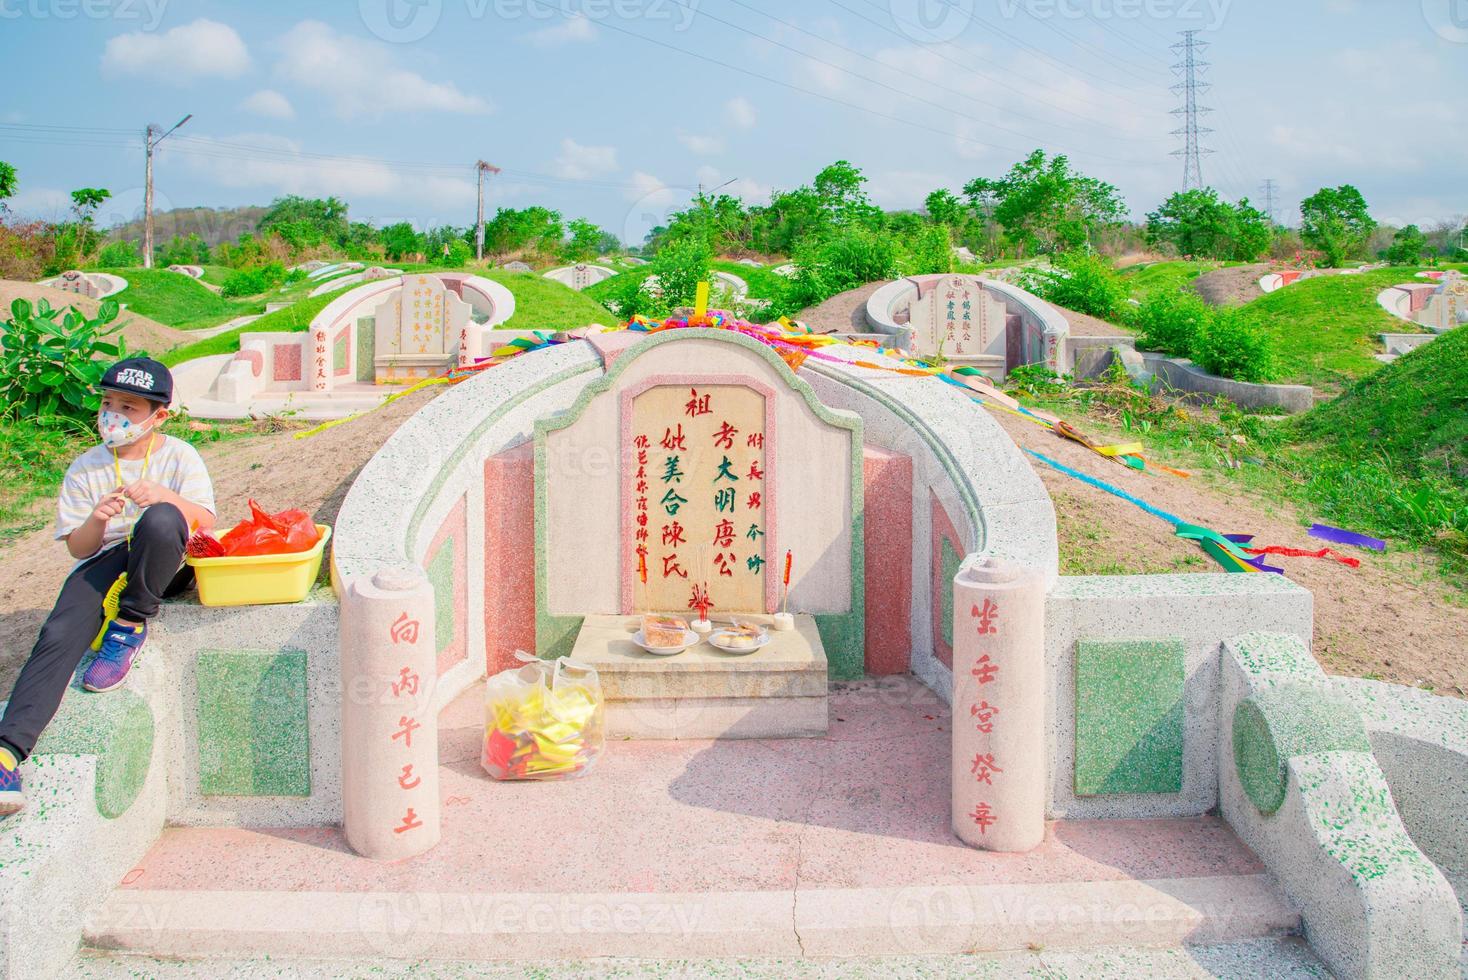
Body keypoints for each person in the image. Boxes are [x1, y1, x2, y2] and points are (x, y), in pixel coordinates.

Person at [0, 358, 215, 815]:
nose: (112, 414)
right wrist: (97, 519)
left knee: (160, 519)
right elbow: (79, 550)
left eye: (129, 407)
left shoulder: (178, 455)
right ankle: (7, 754)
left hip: (167, 559)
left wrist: (165, 496)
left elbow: (207, 523)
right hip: (107, 558)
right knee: (58, 633)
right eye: (107, 403)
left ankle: (129, 625)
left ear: (159, 415)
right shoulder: (85, 467)